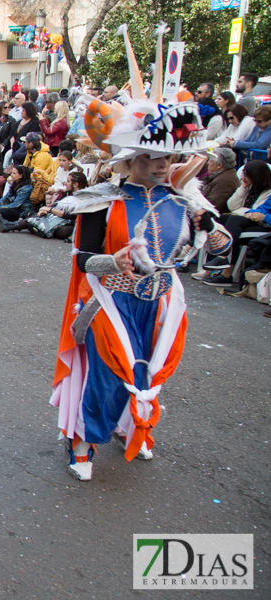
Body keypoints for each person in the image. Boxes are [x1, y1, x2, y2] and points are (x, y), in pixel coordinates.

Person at [49, 28, 233, 482]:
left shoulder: (184, 200)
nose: (160, 165)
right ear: (129, 157)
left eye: (167, 158)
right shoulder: (101, 200)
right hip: (110, 301)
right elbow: (81, 260)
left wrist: (216, 238)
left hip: (163, 302)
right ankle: (83, 439)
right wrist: (117, 262)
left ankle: (137, 427)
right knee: (108, 375)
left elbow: (210, 241)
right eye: (150, 155)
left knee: (150, 373)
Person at [201, 160, 271, 287]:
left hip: (265, 226)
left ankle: (223, 262)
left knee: (233, 222)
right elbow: (232, 206)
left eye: (246, 174)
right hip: (250, 219)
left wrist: (265, 217)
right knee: (218, 219)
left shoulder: (268, 191)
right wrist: (243, 189)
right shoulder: (249, 187)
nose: (243, 177)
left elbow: (261, 212)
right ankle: (215, 266)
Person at [0, 164, 34, 231]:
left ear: (21, 176)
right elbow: (6, 197)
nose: (11, 175)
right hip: (11, 205)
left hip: (20, 210)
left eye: (14, 173)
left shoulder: (26, 188)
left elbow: (16, 204)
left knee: (2, 211)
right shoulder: (15, 183)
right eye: (11, 173)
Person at [201, 148, 241, 214]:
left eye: (211, 161)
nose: (208, 163)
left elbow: (212, 205)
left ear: (219, 165)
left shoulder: (226, 181)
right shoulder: (221, 175)